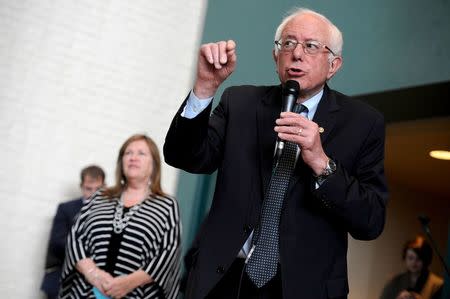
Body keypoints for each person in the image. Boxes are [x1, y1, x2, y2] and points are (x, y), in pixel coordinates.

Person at [164, 7, 388, 299]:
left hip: (301, 287)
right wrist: (205, 88)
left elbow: (370, 221)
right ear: (275, 56)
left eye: (310, 46)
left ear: (333, 65)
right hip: (223, 278)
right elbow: (184, 157)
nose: (297, 54)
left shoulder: (363, 123)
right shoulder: (240, 102)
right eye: (288, 43)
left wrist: (322, 163)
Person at [59, 134, 181, 298]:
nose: (133, 157)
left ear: (154, 164)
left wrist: (127, 283)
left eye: (141, 153)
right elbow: (75, 237)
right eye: (128, 153)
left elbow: (168, 254)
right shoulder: (100, 196)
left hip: (136, 294)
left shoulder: (166, 205)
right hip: (86, 292)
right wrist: (94, 274)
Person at [41, 165, 105, 299]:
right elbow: (58, 241)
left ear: (105, 186)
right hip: (61, 278)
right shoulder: (66, 209)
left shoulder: (108, 213)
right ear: (81, 186)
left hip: (93, 285)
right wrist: (88, 253)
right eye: (89, 189)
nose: (93, 194)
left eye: (98, 189)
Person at [379, 236, 443, 299]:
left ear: (426, 259)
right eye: (410, 258)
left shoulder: (438, 285)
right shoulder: (394, 282)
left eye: (419, 258)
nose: (414, 262)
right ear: (405, 257)